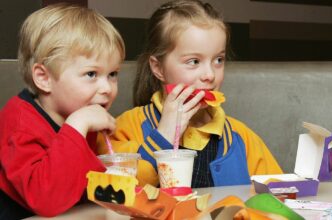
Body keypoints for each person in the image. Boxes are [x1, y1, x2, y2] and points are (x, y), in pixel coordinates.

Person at [98, 0, 282, 188]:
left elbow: (280, 197)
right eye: (193, 61)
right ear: (158, 68)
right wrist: (163, 136)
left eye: (218, 60)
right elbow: (116, 195)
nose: (210, 75)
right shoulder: (124, 129)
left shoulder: (241, 137)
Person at [0, 3, 125, 218]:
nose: (107, 88)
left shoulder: (82, 113)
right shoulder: (21, 122)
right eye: (91, 74)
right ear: (44, 78)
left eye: (112, 74)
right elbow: (46, 201)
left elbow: (86, 189)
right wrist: (77, 125)